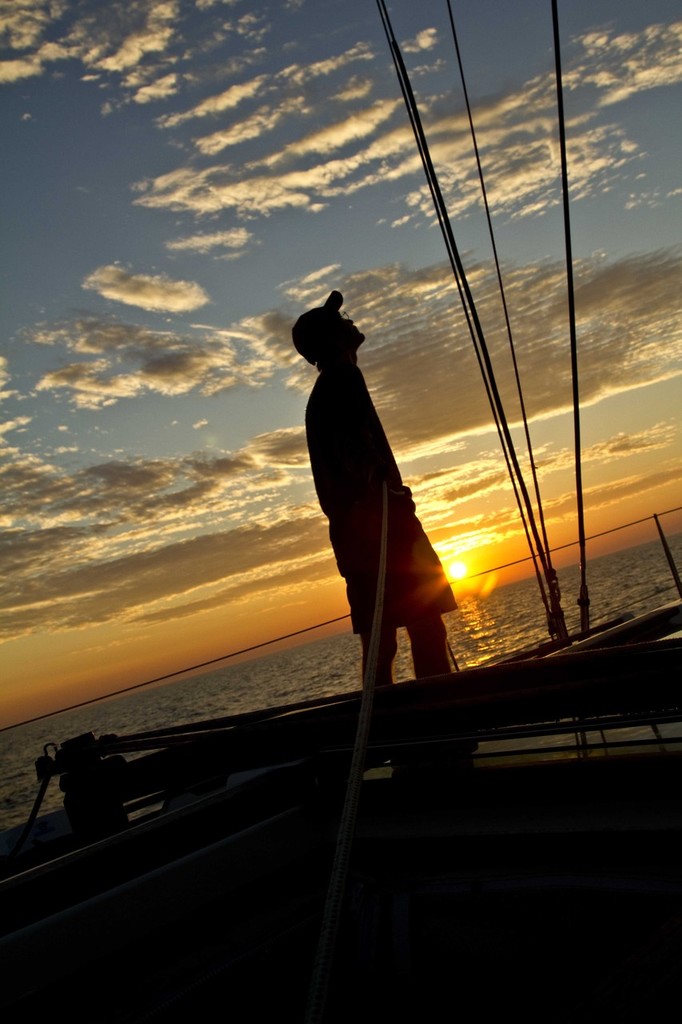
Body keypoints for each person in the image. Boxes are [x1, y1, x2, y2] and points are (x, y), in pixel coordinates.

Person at [292, 289, 457, 687]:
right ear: (332, 339)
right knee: (427, 630)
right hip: (382, 523)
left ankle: (387, 733)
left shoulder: (323, 391)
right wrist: (382, 482)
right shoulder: (344, 376)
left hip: (355, 533)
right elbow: (354, 449)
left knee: (380, 642)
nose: (349, 321)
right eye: (340, 320)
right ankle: (447, 726)